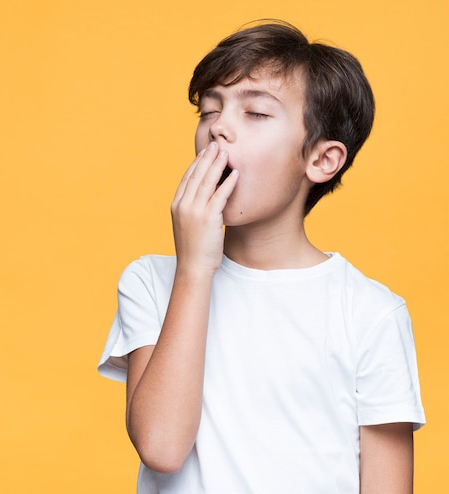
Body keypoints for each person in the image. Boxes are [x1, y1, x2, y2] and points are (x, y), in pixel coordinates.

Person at [98, 20, 425, 493]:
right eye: (209, 111)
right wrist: (194, 268)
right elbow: (162, 447)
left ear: (321, 160)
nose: (220, 128)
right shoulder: (151, 281)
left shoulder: (370, 313)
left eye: (255, 113)